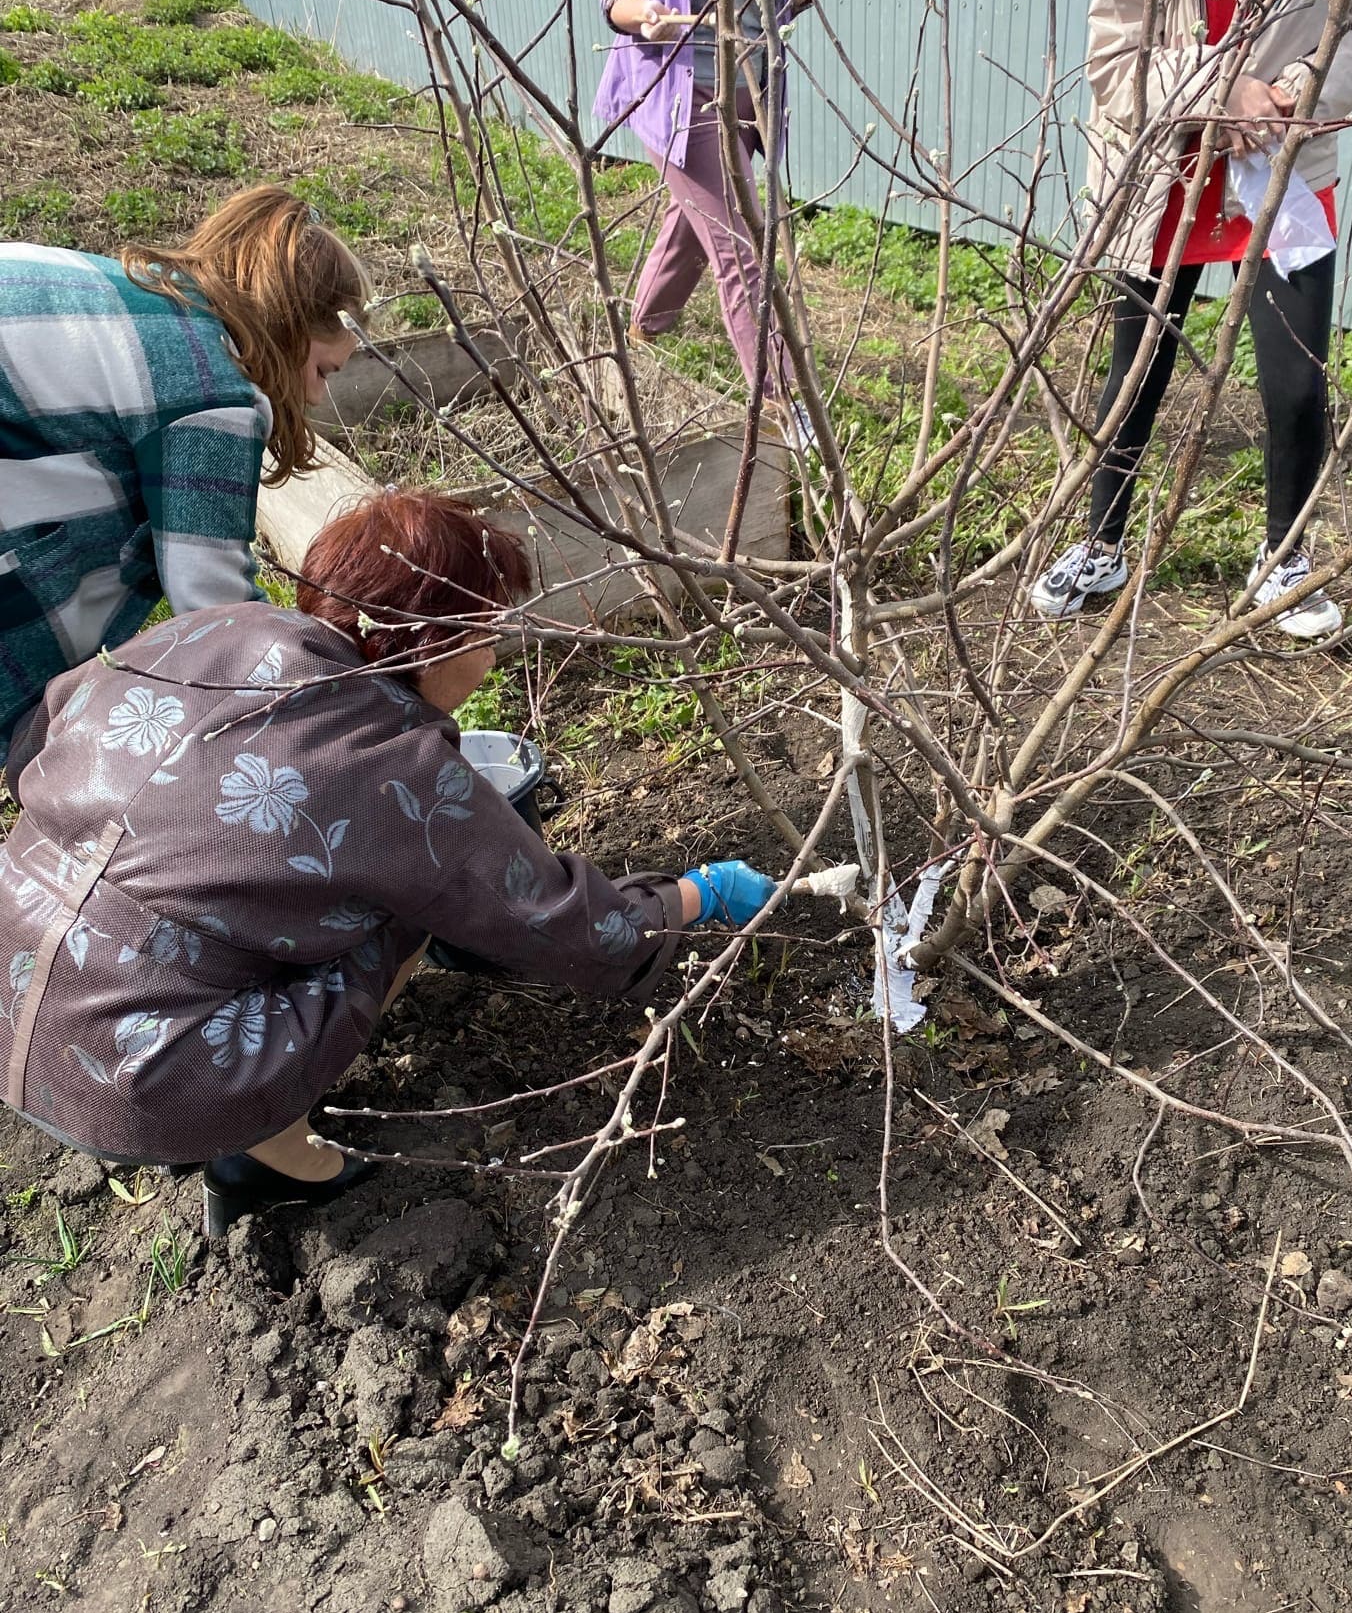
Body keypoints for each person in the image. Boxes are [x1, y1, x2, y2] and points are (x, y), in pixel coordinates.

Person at [0, 488, 777, 1234]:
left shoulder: (218, 630)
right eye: (487, 632)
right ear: (432, 641)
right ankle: (271, 1156)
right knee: (408, 899)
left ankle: (232, 1069)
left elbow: (36, 741)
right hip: (146, 1083)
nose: (498, 658)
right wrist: (696, 893)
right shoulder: (391, 761)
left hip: (11, 993)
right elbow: (568, 925)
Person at [1033, 0, 1352, 636]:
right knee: (1135, 374)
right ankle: (1102, 543)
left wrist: (1296, 92)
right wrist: (1217, 85)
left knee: (1297, 384)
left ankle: (1284, 561)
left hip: (1285, 168)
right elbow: (1110, 59)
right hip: (1165, 170)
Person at [0, 186, 367, 762]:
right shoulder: (208, 383)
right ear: (293, 324)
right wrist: (328, 715)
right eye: (324, 370)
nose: (319, 397)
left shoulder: (149, 299)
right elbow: (216, 609)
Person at [595, 0, 848, 445]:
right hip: (683, 91)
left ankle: (645, 324)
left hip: (752, 88)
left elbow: (779, 0)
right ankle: (791, 412)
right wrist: (646, 15)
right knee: (739, 246)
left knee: (700, 215)